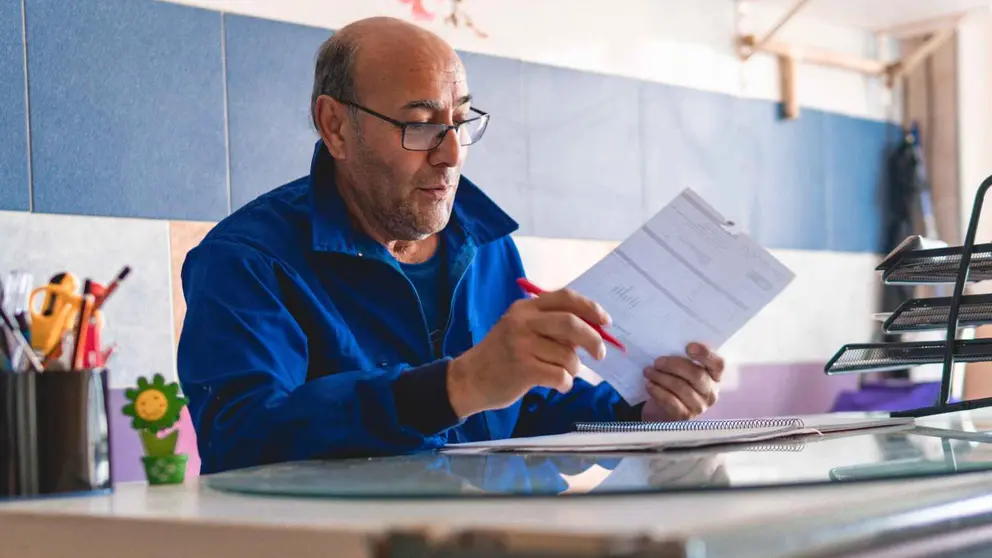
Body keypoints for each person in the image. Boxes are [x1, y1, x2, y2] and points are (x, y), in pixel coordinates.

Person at [177, 16, 726, 475]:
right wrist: (456, 385)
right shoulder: (248, 262)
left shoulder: (485, 244)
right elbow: (243, 443)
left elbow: (522, 410)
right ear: (336, 126)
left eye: (460, 121)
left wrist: (642, 412)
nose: (451, 155)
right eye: (418, 125)